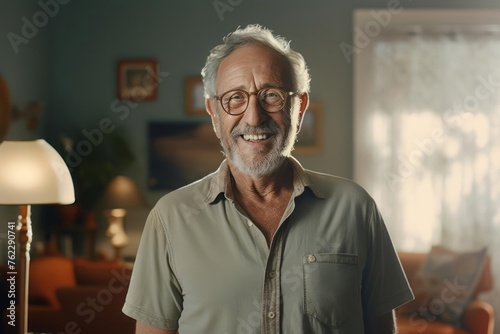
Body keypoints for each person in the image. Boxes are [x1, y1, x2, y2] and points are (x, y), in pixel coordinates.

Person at [123, 24, 414, 334]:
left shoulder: (356, 208)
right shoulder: (170, 218)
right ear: (213, 114)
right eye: (235, 98)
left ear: (299, 108)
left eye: (271, 96)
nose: (254, 117)